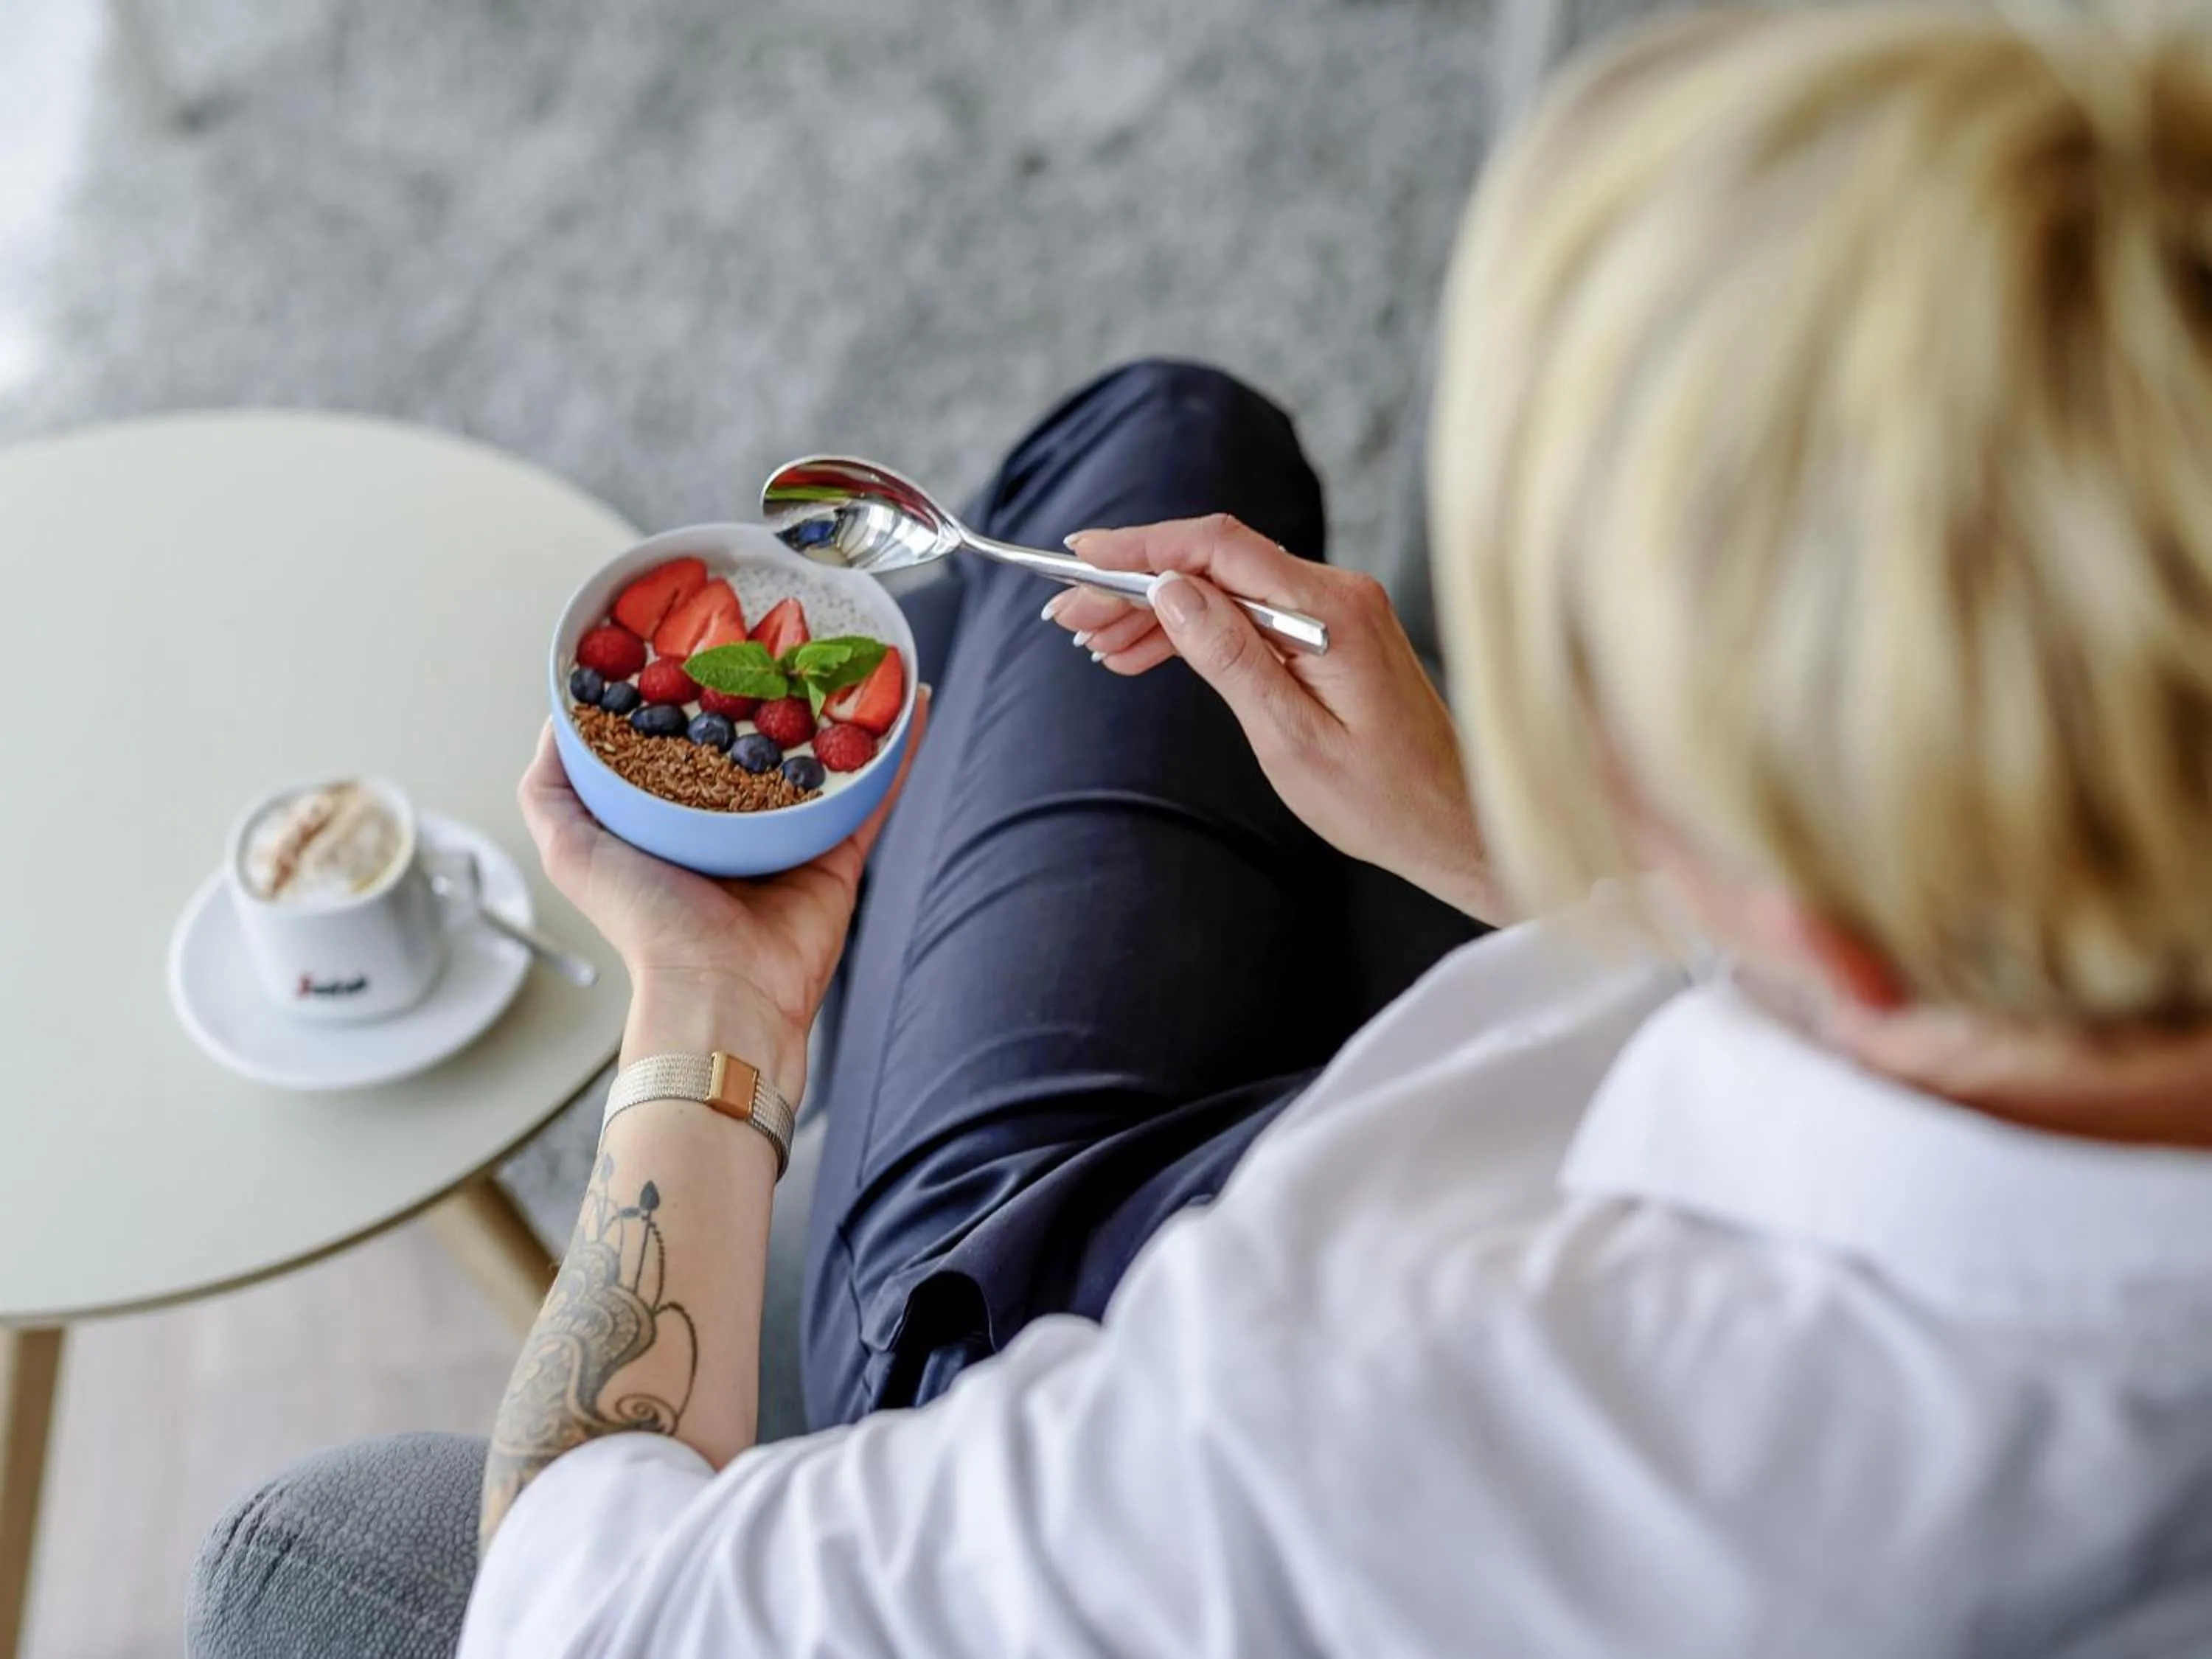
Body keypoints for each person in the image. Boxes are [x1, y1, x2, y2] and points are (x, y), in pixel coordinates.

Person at [191, 5, 2212, 1655]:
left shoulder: (1380, 1430)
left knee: (1113, 459)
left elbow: (581, 1618)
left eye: (1608, 715)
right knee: (1165, 446)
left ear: (1820, 908)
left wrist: (713, 1013)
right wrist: (1505, 853)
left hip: (1030, 1333)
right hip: (1323, 1149)